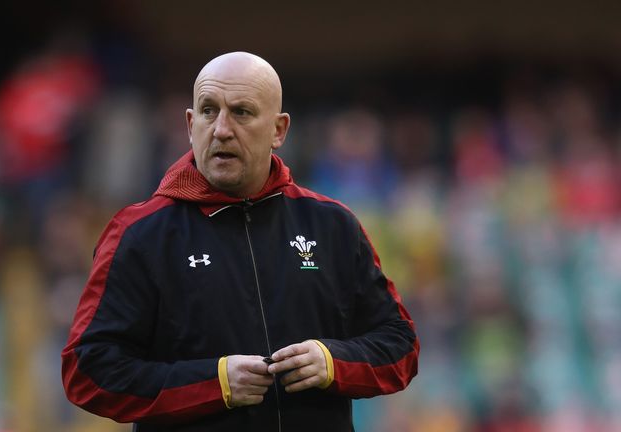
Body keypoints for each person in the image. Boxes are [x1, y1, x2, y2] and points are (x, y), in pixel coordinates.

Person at [61, 51, 419, 431]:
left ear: (279, 130)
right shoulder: (139, 233)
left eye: (242, 112)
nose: (221, 129)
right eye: (208, 110)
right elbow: (87, 370)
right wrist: (214, 383)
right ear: (189, 124)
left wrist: (331, 361)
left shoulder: (332, 226)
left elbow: (401, 347)